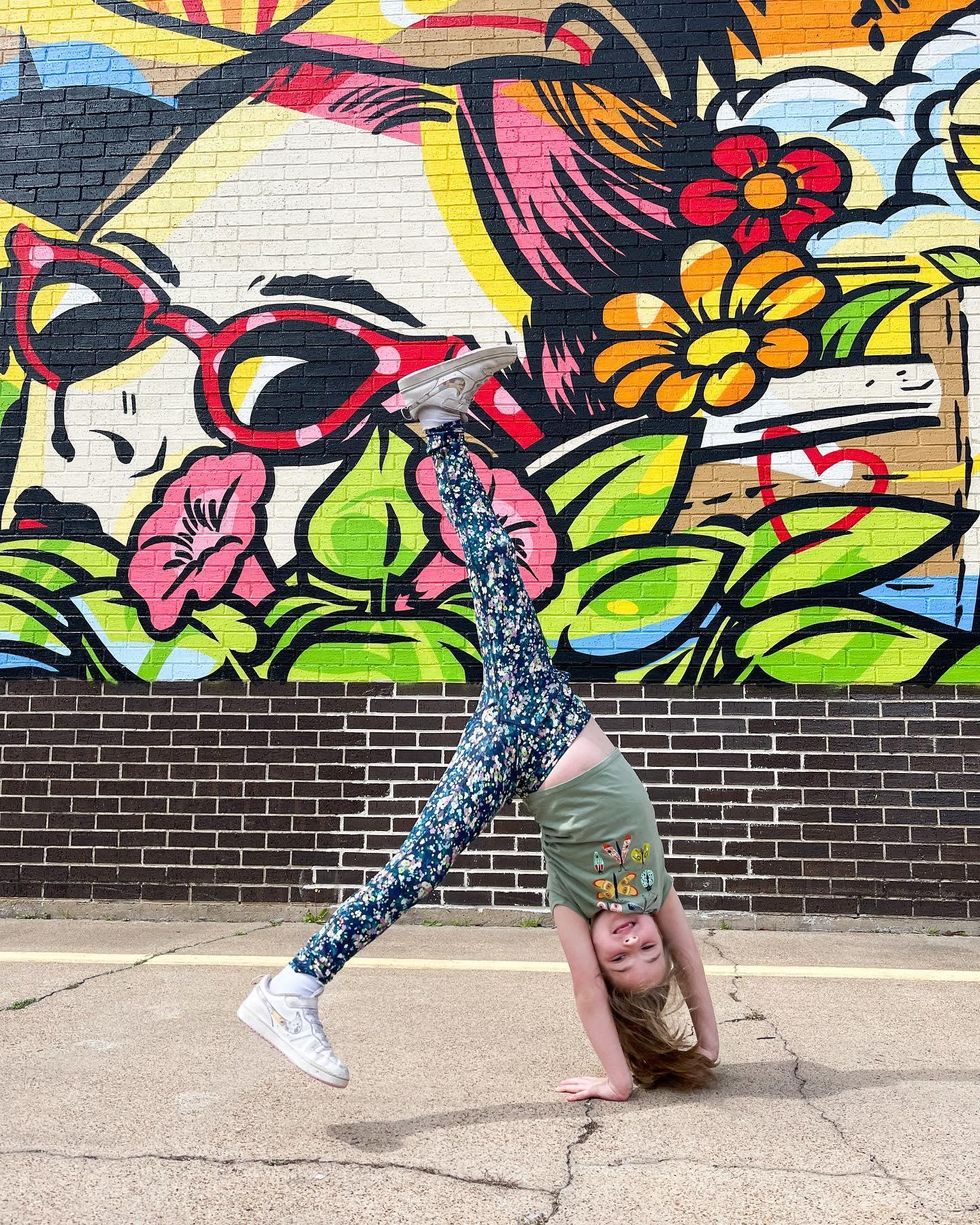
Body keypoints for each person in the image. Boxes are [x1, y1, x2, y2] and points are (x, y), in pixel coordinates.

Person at [238, 345, 719, 1103]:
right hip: (549, 710)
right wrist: (709, 1039)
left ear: (598, 953)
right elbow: (691, 963)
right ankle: (438, 417)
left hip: (519, 740)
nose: (633, 936)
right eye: (644, 944)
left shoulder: (574, 905)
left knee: (417, 866)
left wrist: (619, 1082)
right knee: (495, 563)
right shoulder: (652, 891)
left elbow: (591, 997)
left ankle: (294, 985)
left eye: (622, 954)